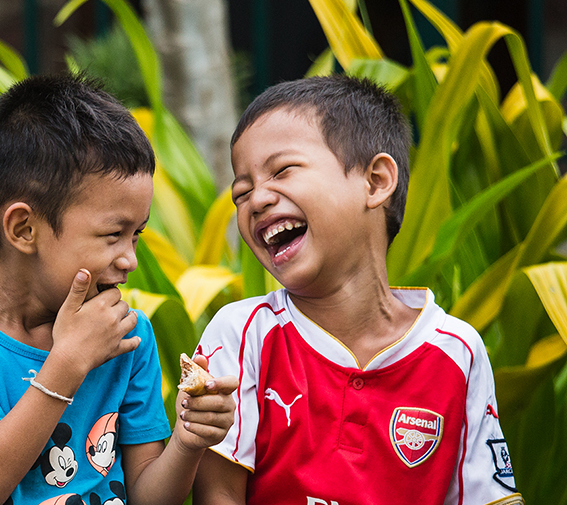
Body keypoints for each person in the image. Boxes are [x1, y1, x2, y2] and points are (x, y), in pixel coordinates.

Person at [192, 75, 523, 505]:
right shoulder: (243, 336)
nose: (256, 200)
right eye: (242, 192)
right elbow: (218, 494)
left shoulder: (458, 352)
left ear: (376, 181)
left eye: (282, 171)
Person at [0, 74, 239, 505]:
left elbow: (148, 496)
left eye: (137, 234)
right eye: (113, 235)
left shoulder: (126, 336)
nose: (130, 259)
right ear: (24, 229)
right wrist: (69, 360)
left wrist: (187, 441)